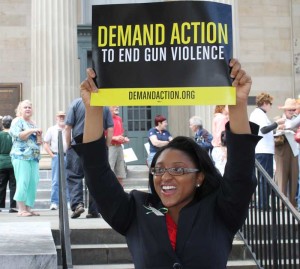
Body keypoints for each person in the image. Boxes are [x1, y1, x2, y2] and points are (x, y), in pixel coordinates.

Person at [74, 59, 260, 268]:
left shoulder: (221, 211)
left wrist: (238, 103)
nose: (166, 176)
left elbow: (241, 172)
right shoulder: (135, 211)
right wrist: (93, 108)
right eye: (159, 169)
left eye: (178, 169)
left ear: (199, 176)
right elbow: (97, 174)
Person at [65, 98, 113, 218]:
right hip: (97, 144)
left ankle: (77, 205)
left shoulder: (76, 103)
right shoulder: (104, 105)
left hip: (78, 142)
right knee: (95, 177)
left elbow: (68, 127)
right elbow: (110, 128)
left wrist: (68, 144)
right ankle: (94, 209)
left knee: (74, 175)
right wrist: (106, 146)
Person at [249, 93, 285, 210]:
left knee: (265, 178)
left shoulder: (259, 114)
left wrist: (276, 131)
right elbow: (264, 130)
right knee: (265, 178)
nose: (270, 106)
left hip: (264, 150)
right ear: (265, 103)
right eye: (270, 104)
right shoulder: (259, 114)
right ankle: (263, 205)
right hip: (263, 150)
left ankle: (263, 204)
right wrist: (277, 123)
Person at [9, 100, 42, 217]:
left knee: (33, 182)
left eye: (29, 107)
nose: (28, 109)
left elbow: (36, 141)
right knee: (22, 181)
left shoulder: (33, 122)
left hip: (33, 157)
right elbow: (20, 136)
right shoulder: (17, 121)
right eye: (25, 107)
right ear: (20, 110)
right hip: (20, 156)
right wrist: (33, 130)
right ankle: (21, 209)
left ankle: (28, 208)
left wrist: (39, 137)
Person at [274, 98, 299, 207]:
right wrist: (280, 128)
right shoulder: (279, 119)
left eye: (293, 110)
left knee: (294, 177)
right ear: (285, 111)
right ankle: (282, 203)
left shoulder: (296, 121)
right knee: (282, 177)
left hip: (294, 150)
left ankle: (292, 203)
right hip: (282, 149)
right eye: (290, 110)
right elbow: (273, 131)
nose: (292, 112)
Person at [43, 111, 69, 210]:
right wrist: (52, 155)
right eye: (60, 116)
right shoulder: (52, 129)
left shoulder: (68, 128)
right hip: (57, 156)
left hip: (67, 156)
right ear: (56, 118)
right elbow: (45, 143)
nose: (62, 118)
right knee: (55, 180)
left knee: (67, 179)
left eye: (63, 116)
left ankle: (68, 201)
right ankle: (54, 202)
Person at [107, 106, 129, 186]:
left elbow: (120, 133)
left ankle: (120, 194)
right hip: (110, 147)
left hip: (119, 147)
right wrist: (115, 137)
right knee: (110, 171)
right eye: (114, 105)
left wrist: (123, 139)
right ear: (108, 107)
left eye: (117, 105)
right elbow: (100, 136)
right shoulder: (104, 119)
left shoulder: (119, 118)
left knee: (120, 172)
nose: (117, 107)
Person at [0, 115, 17, 213]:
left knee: (1, 185)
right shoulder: (14, 135)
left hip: (1, 163)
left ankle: (0, 206)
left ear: (3, 124)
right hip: (13, 162)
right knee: (13, 185)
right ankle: (13, 206)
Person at [211, 105, 229, 175]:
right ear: (223, 107)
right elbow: (221, 135)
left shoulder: (217, 118)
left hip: (217, 148)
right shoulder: (222, 118)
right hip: (221, 149)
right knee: (223, 173)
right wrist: (224, 151)